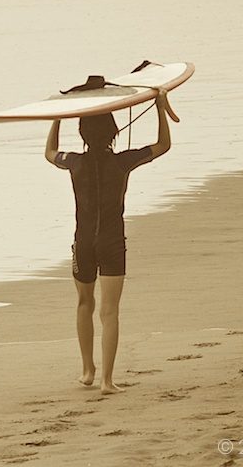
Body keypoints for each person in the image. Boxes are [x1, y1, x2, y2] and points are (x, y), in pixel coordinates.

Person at [44, 88, 173, 394]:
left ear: (82, 134)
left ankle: (88, 370)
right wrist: (159, 106)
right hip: (112, 243)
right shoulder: (123, 162)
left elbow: (50, 153)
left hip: (83, 243)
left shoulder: (73, 162)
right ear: (115, 132)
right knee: (110, 311)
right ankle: (107, 381)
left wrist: (57, 118)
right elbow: (163, 145)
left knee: (84, 303)